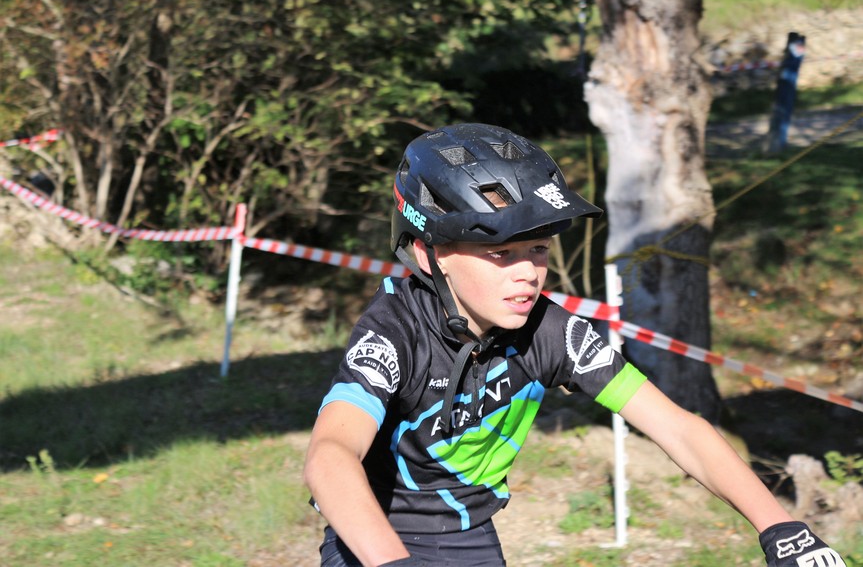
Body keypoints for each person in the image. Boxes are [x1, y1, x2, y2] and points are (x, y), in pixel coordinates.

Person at [303, 123, 846, 567]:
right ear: (429, 254)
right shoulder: (394, 331)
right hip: (371, 535)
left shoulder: (551, 331)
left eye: (538, 249)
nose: (528, 274)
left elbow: (678, 428)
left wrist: (783, 529)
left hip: (469, 538)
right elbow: (330, 457)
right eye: (501, 254)